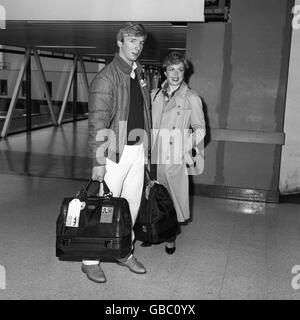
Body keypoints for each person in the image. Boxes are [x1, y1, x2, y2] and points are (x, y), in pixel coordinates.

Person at [82, 22, 151, 283]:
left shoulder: (139, 73)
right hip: (112, 153)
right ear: (120, 43)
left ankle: (124, 251)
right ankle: (90, 260)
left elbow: (144, 113)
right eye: (132, 41)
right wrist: (98, 160)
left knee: (131, 206)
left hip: (136, 149)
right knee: (105, 208)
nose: (138, 47)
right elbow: (98, 122)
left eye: (141, 42)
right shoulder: (106, 77)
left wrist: (145, 150)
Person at [147, 51, 206, 254]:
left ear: (184, 72)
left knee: (171, 200)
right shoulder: (154, 95)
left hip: (173, 157)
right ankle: (151, 230)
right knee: (150, 195)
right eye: (171, 69)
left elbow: (201, 129)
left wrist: (183, 147)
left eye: (180, 69)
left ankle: (170, 238)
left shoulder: (191, 98)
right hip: (152, 155)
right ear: (164, 71)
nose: (175, 73)